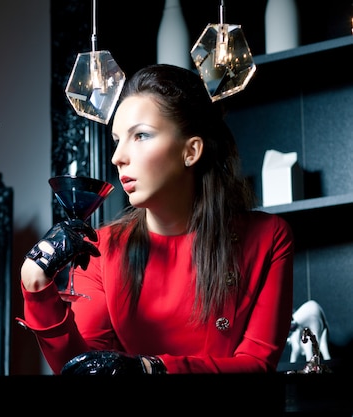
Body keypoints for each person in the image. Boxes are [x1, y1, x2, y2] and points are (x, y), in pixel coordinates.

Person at [17, 63, 294, 375]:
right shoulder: (101, 249)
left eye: (141, 136)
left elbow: (256, 365)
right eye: (117, 139)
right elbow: (82, 370)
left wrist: (151, 368)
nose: (117, 157)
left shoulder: (268, 237)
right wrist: (35, 283)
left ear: (191, 151)